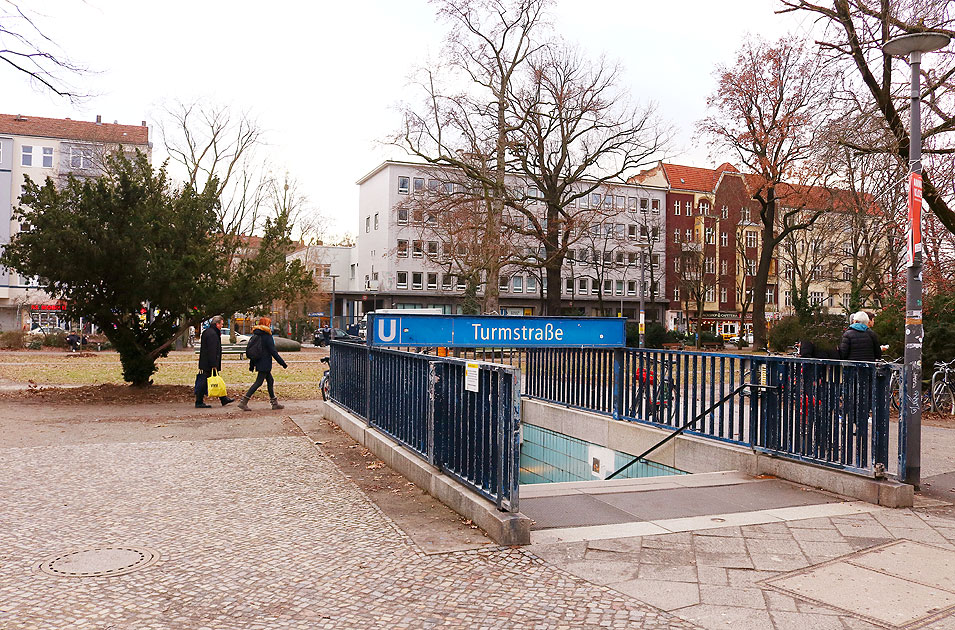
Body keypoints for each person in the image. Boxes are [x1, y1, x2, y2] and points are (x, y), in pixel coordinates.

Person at [238, 316, 288, 411]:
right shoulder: (267, 336)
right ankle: (243, 401)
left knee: (270, 381)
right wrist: (282, 363)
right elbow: (273, 351)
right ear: (266, 324)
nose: (270, 325)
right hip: (265, 363)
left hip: (258, 362)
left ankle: (274, 403)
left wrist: (252, 365)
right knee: (258, 382)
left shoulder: (256, 335)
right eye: (269, 323)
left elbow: (254, 351)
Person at [196, 315, 235, 408]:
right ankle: (199, 401)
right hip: (209, 362)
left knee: (214, 379)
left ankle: (223, 398)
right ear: (217, 324)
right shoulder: (213, 334)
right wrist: (214, 364)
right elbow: (212, 350)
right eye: (221, 324)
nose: (222, 326)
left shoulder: (208, 332)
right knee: (205, 381)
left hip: (206, 361)